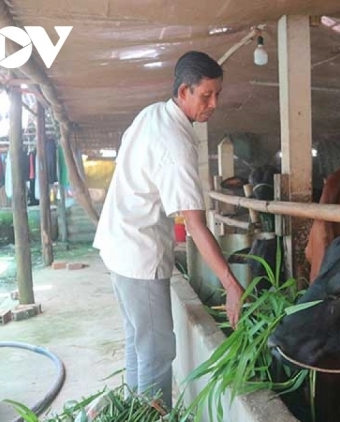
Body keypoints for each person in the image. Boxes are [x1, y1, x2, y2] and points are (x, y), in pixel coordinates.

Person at [93, 51, 245, 408]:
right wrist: (231, 285)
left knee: (139, 342)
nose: (214, 104)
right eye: (205, 95)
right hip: (137, 253)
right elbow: (194, 223)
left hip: (118, 244)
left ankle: (135, 413)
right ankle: (152, 416)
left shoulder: (153, 113)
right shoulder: (175, 142)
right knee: (158, 351)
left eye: (217, 94)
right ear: (183, 93)